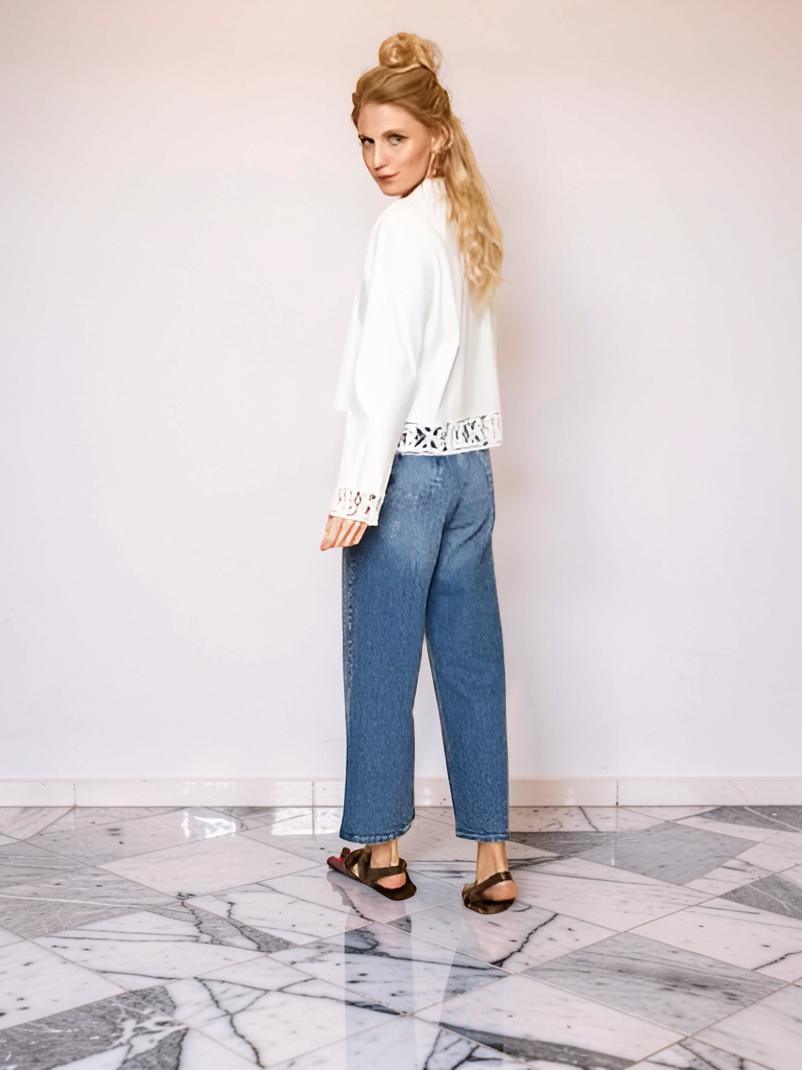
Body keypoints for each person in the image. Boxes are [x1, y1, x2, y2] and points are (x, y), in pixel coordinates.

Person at [319, 32, 516, 914]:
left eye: (393, 137)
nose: (376, 158)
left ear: (435, 134)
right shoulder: (465, 219)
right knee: (473, 662)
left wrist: (358, 490)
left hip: (407, 474)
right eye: (366, 140)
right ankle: (492, 859)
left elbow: (386, 376)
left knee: (381, 663)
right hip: (470, 471)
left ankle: (383, 853)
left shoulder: (401, 230)